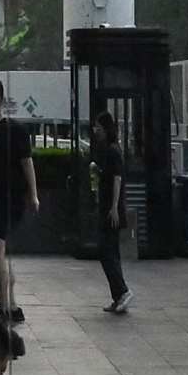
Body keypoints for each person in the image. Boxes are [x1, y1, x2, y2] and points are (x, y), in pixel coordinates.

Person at [0, 81, 39, 314]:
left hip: (10, 198)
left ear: (1, 101)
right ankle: (10, 303)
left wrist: (33, 194)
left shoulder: (16, 131)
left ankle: (4, 306)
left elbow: (27, 163)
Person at [82, 109, 131, 315]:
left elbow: (117, 179)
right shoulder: (108, 150)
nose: (95, 130)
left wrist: (113, 207)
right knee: (111, 252)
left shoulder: (113, 151)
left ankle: (123, 291)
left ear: (106, 129)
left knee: (106, 252)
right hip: (107, 208)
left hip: (112, 211)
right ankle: (117, 295)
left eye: (98, 127)